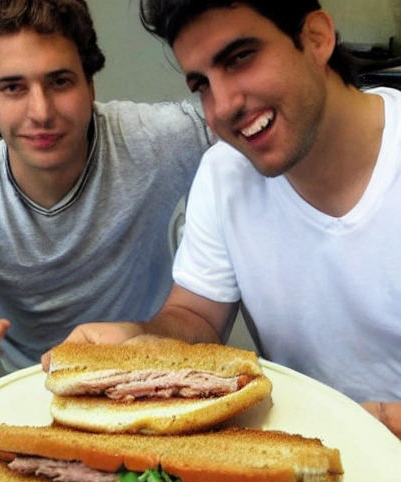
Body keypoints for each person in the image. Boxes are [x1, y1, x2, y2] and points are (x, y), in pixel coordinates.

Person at [0, 0, 212, 482]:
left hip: (146, 384)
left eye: (60, 81)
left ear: (90, 85)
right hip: (26, 398)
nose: (40, 111)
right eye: (13, 87)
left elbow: (255, 117)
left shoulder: (159, 140)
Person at [58, 0, 401, 439]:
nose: (223, 107)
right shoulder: (224, 174)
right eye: (202, 84)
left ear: (316, 38)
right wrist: (143, 339)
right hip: (315, 460)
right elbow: (196, 315)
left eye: (240, 58)